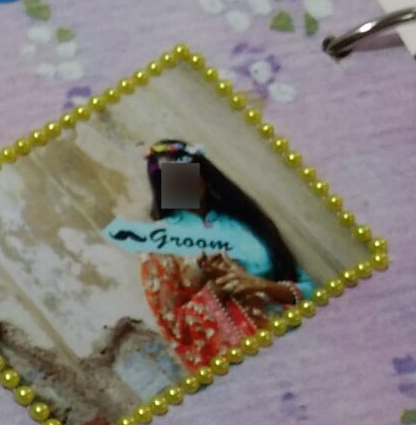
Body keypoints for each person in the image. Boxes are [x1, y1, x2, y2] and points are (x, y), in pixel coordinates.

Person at [129, 140, 304, 373]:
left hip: (297, 337)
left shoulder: (243, 218)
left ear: (202, 173)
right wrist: (214, 290)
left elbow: (305, 285)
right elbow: (175, 328)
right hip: (242, 361)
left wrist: (261, 285)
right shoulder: (158, 244)